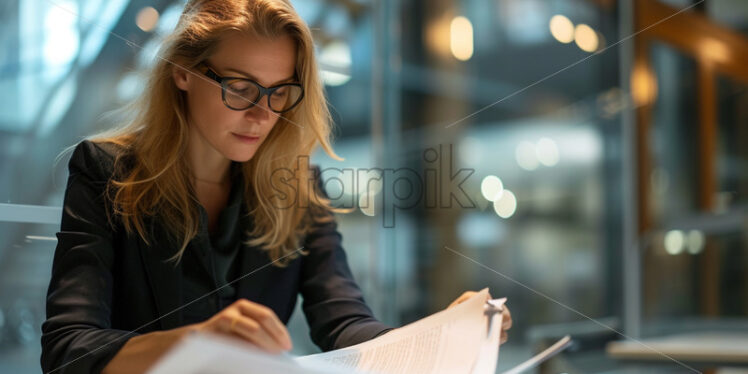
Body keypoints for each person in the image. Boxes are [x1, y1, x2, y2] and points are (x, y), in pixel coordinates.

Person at [40, 1, 511, 373]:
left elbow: (342, 322)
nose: (263, 114)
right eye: (241, 87)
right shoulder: (107, 171)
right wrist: (193, 342)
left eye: (280, 90)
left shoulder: (300, 187)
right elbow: (68, 349)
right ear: (182, 72)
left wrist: (442, 332)